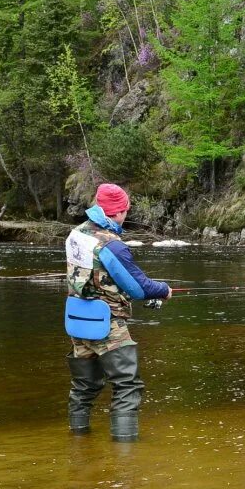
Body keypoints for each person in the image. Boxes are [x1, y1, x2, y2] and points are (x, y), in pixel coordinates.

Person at [64, 183, 172, 442]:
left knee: (84, 386)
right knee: (127, 385)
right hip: (107, 323)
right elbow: (138, 288)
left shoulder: (76, 235)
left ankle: (78, 443)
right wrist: (164, 290)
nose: (125, 215)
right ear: (119, 211)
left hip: (77, 320)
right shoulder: (112, 246)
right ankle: (125, 456)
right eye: (125, 210)